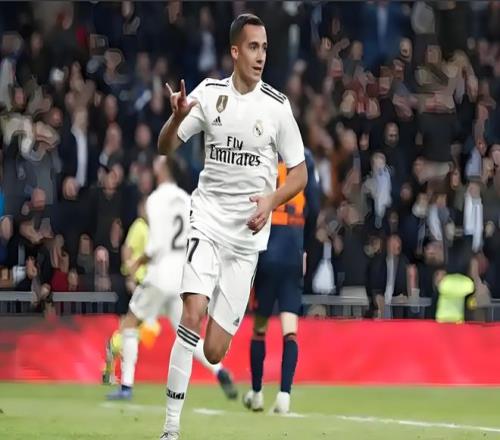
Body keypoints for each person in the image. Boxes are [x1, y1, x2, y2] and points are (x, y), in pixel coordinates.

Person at [157, 13, 307, 440]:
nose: (261, 56)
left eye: (265, 48)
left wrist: (272, 200)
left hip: (245, 242)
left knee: (214, 349)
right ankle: (170, 428)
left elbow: (299, 174)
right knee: (192, 312)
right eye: (253, 47)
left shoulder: (277, 107)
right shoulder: (209, 95)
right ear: (235, 51)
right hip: (207, 222)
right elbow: (165, 147)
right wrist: (176, 118)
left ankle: (209, 317)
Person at [105, 156, 237, 401]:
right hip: (181, 279)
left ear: (164, 170)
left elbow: (156, 246)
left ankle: (126, 386)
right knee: (187, 336)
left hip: (159, 275)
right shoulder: (187, 199)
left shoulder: (155, 199)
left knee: (130, 323)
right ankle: (219, 371)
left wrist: (136, 263)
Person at [243, 148, 320, 414]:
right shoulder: (306, 159)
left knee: (259, 328)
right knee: (290, 329)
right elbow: (315, 207)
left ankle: (256, 392)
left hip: (266, 250)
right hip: (293, 252)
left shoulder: (261, 154)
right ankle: (285, 394)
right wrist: (304, 247)